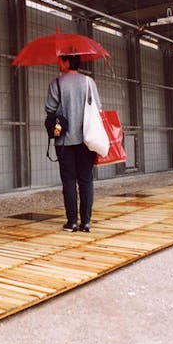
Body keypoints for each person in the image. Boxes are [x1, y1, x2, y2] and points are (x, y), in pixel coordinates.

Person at [45, 54, 101, 232]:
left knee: (69, 181)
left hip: (64, 142)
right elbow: (98, 107)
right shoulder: (89, 82)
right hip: (87, 139)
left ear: (68, 61)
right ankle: (86, 222)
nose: (58, 63)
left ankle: (72, 222)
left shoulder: (56, 84)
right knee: (86, 180)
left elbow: (49, 109)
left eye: (60, 60)